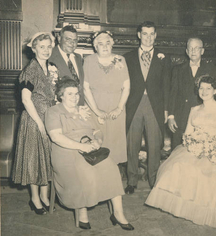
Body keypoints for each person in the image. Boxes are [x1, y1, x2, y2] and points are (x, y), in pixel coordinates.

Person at [146, 75, 216, 229]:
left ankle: (207, 213)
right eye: (201, 88)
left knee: (207, 174)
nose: (204, 91)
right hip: (196, 147)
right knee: (177, 166)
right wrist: (192, 144)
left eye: (208, 88)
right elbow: (187, 134)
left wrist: (211, 147)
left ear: (215, 90)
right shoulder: (194, 109)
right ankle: (188, 210)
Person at [45, 78, 134, 230]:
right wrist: (81, 146)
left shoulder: (83, 110)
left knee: (111, 168)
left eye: (76, 94)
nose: (74, 97)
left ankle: (118, 213)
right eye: (70, 94)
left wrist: (98, 141)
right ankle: (82, 211)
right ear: (61, 96)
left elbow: (97, 131)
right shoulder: (53, 112)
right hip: (67, 152)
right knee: (85, 172)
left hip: (90, 149)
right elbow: (56, 137)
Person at [124, 21, 171, 194]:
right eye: (145, 34)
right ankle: (131, 180)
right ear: (139, 35)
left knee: (154, 145)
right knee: (132, 145)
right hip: (133, 105)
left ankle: (154, 180)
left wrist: (166, 109)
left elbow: (167, 85)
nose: (148, 37)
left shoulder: (163, 57)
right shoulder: (128, 57)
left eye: (152, 34)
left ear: (156, 35)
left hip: (155, 106)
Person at [12, 32, 57, 215]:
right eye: (42, 47)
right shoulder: (30, 69)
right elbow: (25, 100)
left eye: (48, 46)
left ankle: (45, 196)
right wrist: (39, 122)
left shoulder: (51, 67)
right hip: (33, 120)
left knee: (46, 158)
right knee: (34, 159)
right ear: (34, 49)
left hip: (49, 117)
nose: (46, 50)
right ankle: (35, 199)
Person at [83, 31, 130, 165]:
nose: (104, 46)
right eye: (100, 44)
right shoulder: (89, 61)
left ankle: (113, 177)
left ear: (112, 44)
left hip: (116, 109)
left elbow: (126, 87)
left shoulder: (120, 60)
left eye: (107, 43)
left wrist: (119, 108)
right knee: (97, 143)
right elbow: (85, 89)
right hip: (95, 107)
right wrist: (97, 111)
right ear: (95, 46)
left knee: (115, 145)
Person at [168, 37, 216, 150]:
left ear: (202, 51)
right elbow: (173, 93)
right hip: (181, 117)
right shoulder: (178, 69)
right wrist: (171, 116)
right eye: (190, 48)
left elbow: (214, 95)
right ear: (186, 51)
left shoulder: (210, 69)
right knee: (178, 151)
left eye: (196, 48)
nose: (193, 51)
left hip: (202, 117)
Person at [48, 25, 85, 105]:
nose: (72, 43)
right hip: (60, 109)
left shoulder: (79, 58)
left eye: (75, 40)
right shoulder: (49, 56)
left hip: (80, 108)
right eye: (68, 39)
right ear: (59, 39)